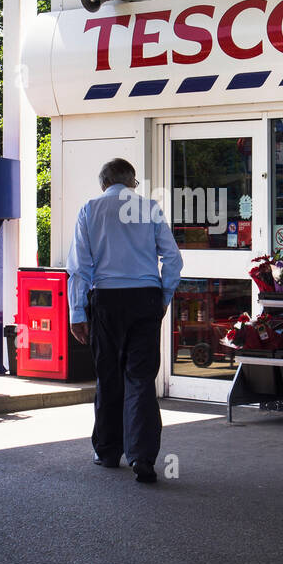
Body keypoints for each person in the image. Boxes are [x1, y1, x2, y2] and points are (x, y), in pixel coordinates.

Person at [67, 158, 183, 484]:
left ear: (103, 183)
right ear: (132, 182)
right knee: (141, 379)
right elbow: (172, 258)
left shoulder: (90, 210)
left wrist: (77, 312)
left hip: (106, 301)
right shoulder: (150, 208)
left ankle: (107, 451)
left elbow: (80, 267)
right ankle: (143, 458)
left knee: (108, 376)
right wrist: (163, 296)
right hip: (145, 298)